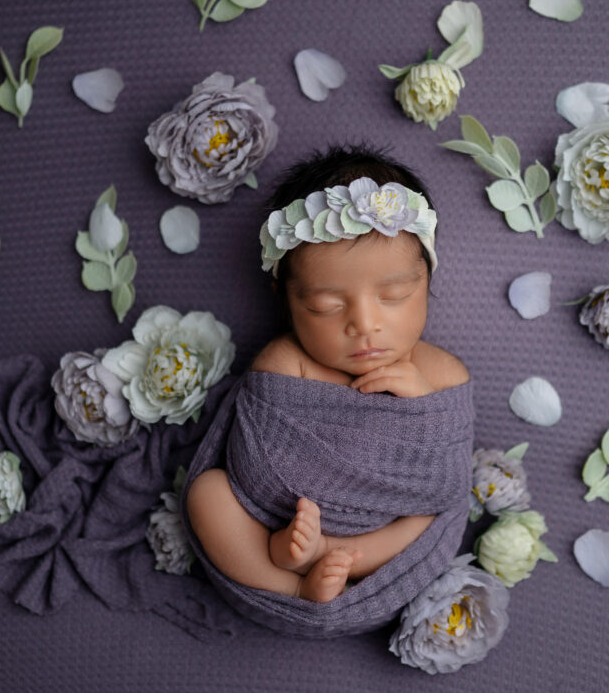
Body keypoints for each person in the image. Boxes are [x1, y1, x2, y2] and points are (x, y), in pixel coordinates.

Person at [186, 146, 470, 602]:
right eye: (326, 306)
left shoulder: (440, 371)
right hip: (273, 526)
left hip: (380, 543)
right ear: (288, 300)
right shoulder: (287, 362)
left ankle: (334, 555)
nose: (363, 324)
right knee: (207, 495)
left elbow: (448, 482)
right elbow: (254, 470)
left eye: (394, 294)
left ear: (427, 281)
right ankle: (291, 583)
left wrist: (422, 408)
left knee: (429, 516)